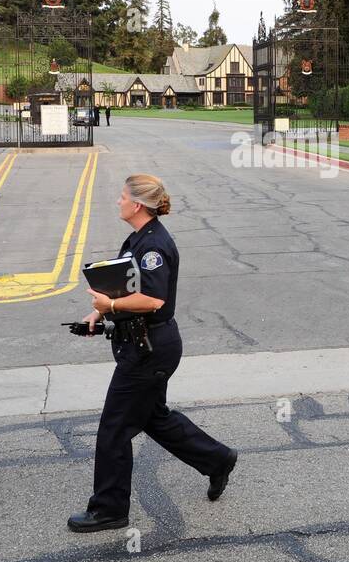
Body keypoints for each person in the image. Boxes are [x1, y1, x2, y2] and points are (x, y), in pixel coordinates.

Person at [68, 174, 237, 532]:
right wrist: (99, 313)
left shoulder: (154, 247)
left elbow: (153, 299)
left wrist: (109, 303)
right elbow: (123, 286)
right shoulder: (137, 239)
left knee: (114, 428)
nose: (118, 201)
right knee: (152, 417)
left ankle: (110, 509)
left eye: (122, 196)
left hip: (150, 350)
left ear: (137, 205)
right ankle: (217, 459)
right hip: (142, 344)